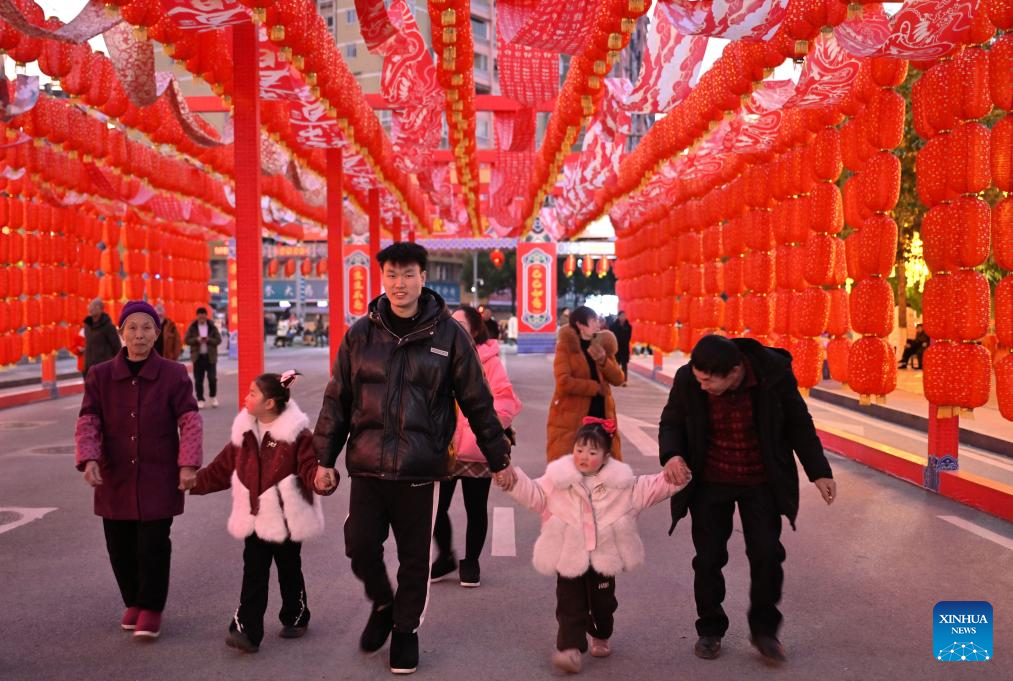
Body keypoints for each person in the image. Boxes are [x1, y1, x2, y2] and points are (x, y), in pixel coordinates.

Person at [312, 242, 515, 675]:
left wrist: (498, 457)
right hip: (367, 463)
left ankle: (405, 631)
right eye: (390, 275)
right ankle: (383, 602)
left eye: (407, 275)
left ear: (423, 277)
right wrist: (323, 458)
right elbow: (337, 400)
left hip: (420, 467)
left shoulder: (449, 335)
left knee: (414, 559)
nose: (398, 284)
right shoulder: (360, 334)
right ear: (381, 278)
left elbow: (478, 400)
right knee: (360, 545)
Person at [658, 334, 836, 665]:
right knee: (708, 558)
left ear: (736, 371)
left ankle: (765, 631)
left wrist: (819, 471)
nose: (702, 386)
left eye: (709, 380)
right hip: (710, 480)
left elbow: (799, 423)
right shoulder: (688, 380)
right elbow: (671, 423)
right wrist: (672, 455)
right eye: (698, 379)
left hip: (760, 481)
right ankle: (710, 628)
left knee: (767, 554)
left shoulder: (773, 375)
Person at [503, 418, 690, 673]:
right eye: (579, 450)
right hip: (568, 555)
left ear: (605, 457)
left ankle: (601, 633)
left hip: (604, 557)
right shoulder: (558, 479)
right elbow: (535, 493)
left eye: (592, 452)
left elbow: (651, 488)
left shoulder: (622, 485)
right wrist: (513, 481)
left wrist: (676, 478)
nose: (583, 456)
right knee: (569, 603)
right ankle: (569, 650)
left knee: (603, 605)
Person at [74, 300, 203, 641]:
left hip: (158, 477)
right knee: (119, 546)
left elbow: (189, 420)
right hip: (114, 476)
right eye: (131, 328)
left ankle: (151, 607)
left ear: (157, 333)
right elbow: (89, 420)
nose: (139, 335)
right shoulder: (100, 376)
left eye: (146, 328)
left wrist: (188, 463)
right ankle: (132, 600)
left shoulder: (174, 374)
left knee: (153, 545)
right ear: (120, 334)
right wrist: (88, 458)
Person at [191, 370, 330, 654]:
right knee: (254, 571)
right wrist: (194, 481)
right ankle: (247, 629)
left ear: (269, 403)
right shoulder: (244, 433)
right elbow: (221, 468)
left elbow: (308, 468)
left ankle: (296, 614)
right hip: (255, 517)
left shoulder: (297, 435)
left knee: (289, 569)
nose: (247, 396)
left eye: (253, 393)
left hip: (287, 519)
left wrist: (321, 479)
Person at [431, 305, 523, 588]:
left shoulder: (490, 361)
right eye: (451, 321)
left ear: (473, 328)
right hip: (442, 446)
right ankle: (445, 555)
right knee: (435, 508)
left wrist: (483, 423)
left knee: (475, 508)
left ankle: (471, 562)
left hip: (475, 446)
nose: (454, 326)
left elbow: (506, 400)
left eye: (461, 322)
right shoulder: (437, 355)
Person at [547, 306, 625, 462]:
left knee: (603, 465)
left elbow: (618, 379)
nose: (598, 324)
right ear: (580, 325)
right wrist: (595, 387)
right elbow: (563, 382)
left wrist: (604, 361)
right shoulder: (566, 347)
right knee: (575, 466)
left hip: (602, 414)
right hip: (573, 416)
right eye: (593, 320)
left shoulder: (602, 345)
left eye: (598, 320)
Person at [184, 307, 222, 408]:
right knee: (198, 380)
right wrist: (196, 340)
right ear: (197, 317)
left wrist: (209, 340)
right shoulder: (192, 327)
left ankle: (213, 397)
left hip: (210, 357)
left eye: (203, 316)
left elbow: (219, 340)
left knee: (212, 378)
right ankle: (200, 399)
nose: (201, 318)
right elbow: (186, 340)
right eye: (199, 317)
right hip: (198, 357)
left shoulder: (212, 326)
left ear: (206, 316)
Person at [83, 299, 121, 376]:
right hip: (89, 367)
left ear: (100, 309)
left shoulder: (108, 326)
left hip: (104, 367)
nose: (90, 309)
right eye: (89, 306)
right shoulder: (87, 326)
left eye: (93, 306)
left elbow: (116, 347)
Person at [609, 311, 633, 386]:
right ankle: (615, 380)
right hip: (616, 348)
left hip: (625, 348)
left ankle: (624, 380)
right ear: (618, 317)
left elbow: (629, 338)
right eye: (622, 316)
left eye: (624, 316)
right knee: (616, 365)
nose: (623, 317)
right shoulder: (613, 326)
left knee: (624, 365)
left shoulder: (628, 327)